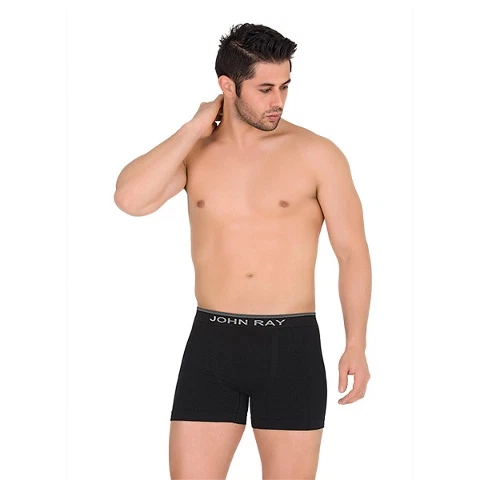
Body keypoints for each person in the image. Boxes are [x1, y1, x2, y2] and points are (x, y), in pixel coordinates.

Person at [114, 22, 371, 480]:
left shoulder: (316, 154)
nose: (279, 101)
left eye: (285, 86)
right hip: (211, 344)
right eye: (265, 89)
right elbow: (130, 200)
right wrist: (193, 128)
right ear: (228, 86)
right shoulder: (196, 152)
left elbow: (352, 253)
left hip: (290, 348)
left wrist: (356, 344)